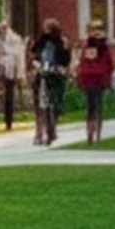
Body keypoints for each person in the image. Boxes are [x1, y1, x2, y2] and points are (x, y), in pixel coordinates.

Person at [30, 18, 70, 146]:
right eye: (46, 28)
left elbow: (65, 59)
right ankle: (39, 133)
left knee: (54, 105)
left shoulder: (61, 42)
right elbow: (33, 55)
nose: (46, 31)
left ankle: (51, 131)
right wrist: (36, 64)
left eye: (49, 28)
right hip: (41, 76)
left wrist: (59, 68)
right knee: (40, 106)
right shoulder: (41, 42)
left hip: (55, 77)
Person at [76, 19, 115, 145]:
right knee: (97, 105)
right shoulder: (103, 47)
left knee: (91, 106)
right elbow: (109, 65)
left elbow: (83, 63)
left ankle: (91, 132)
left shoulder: (89, 46)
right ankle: (95, 132)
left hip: (90, 78)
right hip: (97, 78)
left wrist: (80, 77)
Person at [0, 21, 27, 131]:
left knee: (9, 95)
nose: (2, 30)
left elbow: (20, 57)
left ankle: (8, 120)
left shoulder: (15, 39)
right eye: (0, 28)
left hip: (11, 69)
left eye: (4, 28)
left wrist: (20, 73)